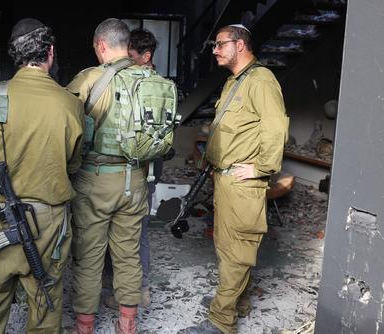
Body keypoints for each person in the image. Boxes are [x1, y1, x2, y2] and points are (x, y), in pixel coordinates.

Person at [0, 17, 84, 334]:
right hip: (47, 223)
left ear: (14, 56)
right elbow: (72, 165)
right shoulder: (69, 104)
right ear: (51, 53)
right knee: (45, 310)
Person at [181, 24, 288, 334]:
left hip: (243, 183)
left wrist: (260, 168)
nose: (215, 50)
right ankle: (236, 301)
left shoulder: (261, 81)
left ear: (240, 45)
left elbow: (275, 127)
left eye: (220, 44)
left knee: (235, 250)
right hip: (225, 179)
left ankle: (220, 321)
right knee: (229, 246)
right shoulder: (235, 82)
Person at [68, 18, 148, 334]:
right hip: (135, 179)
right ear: (126, 45)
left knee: (88, 257)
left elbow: (65, 126)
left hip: (94, 179)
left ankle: (84, 327)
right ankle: (127, 326)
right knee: (128, 255)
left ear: (101, 45)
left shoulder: (89, 79)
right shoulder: (147, 80)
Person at [103, 27, 171, 309]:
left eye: (131, 57)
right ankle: (124, 289)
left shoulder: (153, 87)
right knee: (124, 232)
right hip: (135, 170)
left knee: (136, 232)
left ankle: (137, 290)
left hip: (143, 171)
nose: (126, 64)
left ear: (146, 56)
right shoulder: (154, 83)